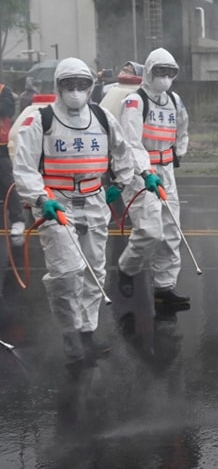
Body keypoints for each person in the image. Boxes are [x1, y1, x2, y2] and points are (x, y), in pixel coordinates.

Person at [13, 57, 136, 370]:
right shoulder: (41, 120)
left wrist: (119, 184)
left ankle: (87, 332)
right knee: (66, 273)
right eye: (70, 85)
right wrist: (41, 199)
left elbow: (123, 152)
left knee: (94, 270)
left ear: (91, 86)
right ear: (59, 86)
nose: (77, 92)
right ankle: (70, 334)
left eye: (83, 85)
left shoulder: (102, 117)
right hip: (57, 203)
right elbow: (25, 166)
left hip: (95, 200)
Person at [116, 48, 191, 309]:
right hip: (141, 175)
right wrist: (146, 172)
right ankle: (127, 268)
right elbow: (131, 142)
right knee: (150, 231)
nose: (165, 77)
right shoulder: (135, 102)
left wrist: (178, 153)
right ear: (148, 72)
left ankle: (164, 287)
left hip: (166, 171)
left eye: (170, 73)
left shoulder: (174, 100)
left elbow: (183, 128)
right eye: (160, 72)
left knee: (171, 232)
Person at [0, 81, 25, 240]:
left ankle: (17, 219)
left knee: (7, 181)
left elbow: (7, 109)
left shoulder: (3, 90)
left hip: (0, 147)